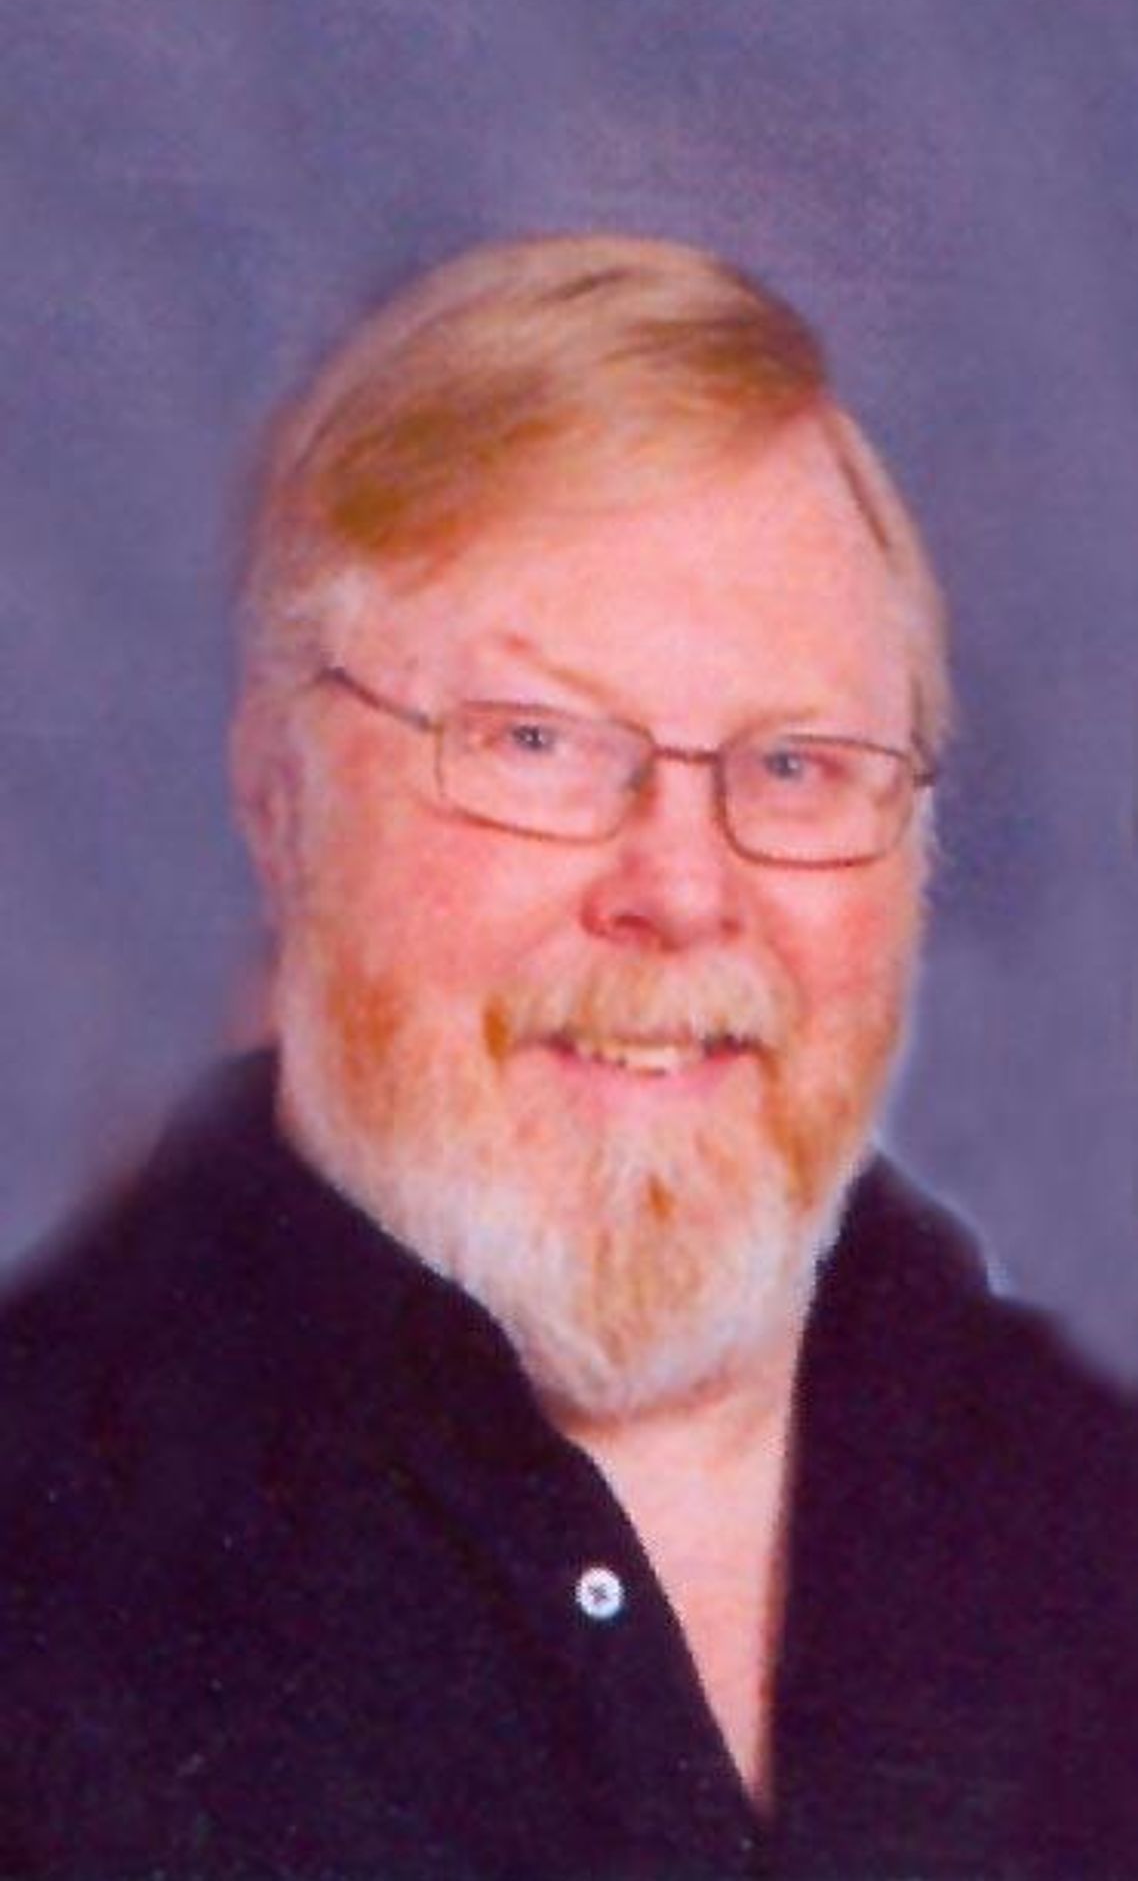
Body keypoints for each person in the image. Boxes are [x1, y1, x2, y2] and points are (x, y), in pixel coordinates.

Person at [0, 234, 1133, 1880]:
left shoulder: (1088, 1513)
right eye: (535, 744)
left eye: (795, 767)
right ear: (277, 795)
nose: (680, 890)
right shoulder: (42, 1555)